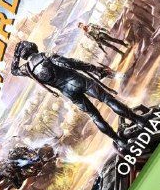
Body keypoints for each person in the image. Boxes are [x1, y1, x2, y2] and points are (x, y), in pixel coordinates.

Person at [10, 41, 146, 144]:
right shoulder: (45, 56)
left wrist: (16, 53)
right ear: (32, 47)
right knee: (107, 99)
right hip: (79, 81)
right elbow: (71, 63)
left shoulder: (28, 70)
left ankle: (118, 141)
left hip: (68, 92)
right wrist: (94, 69)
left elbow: (14, 70)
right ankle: (139, 120)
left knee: (95, 116)